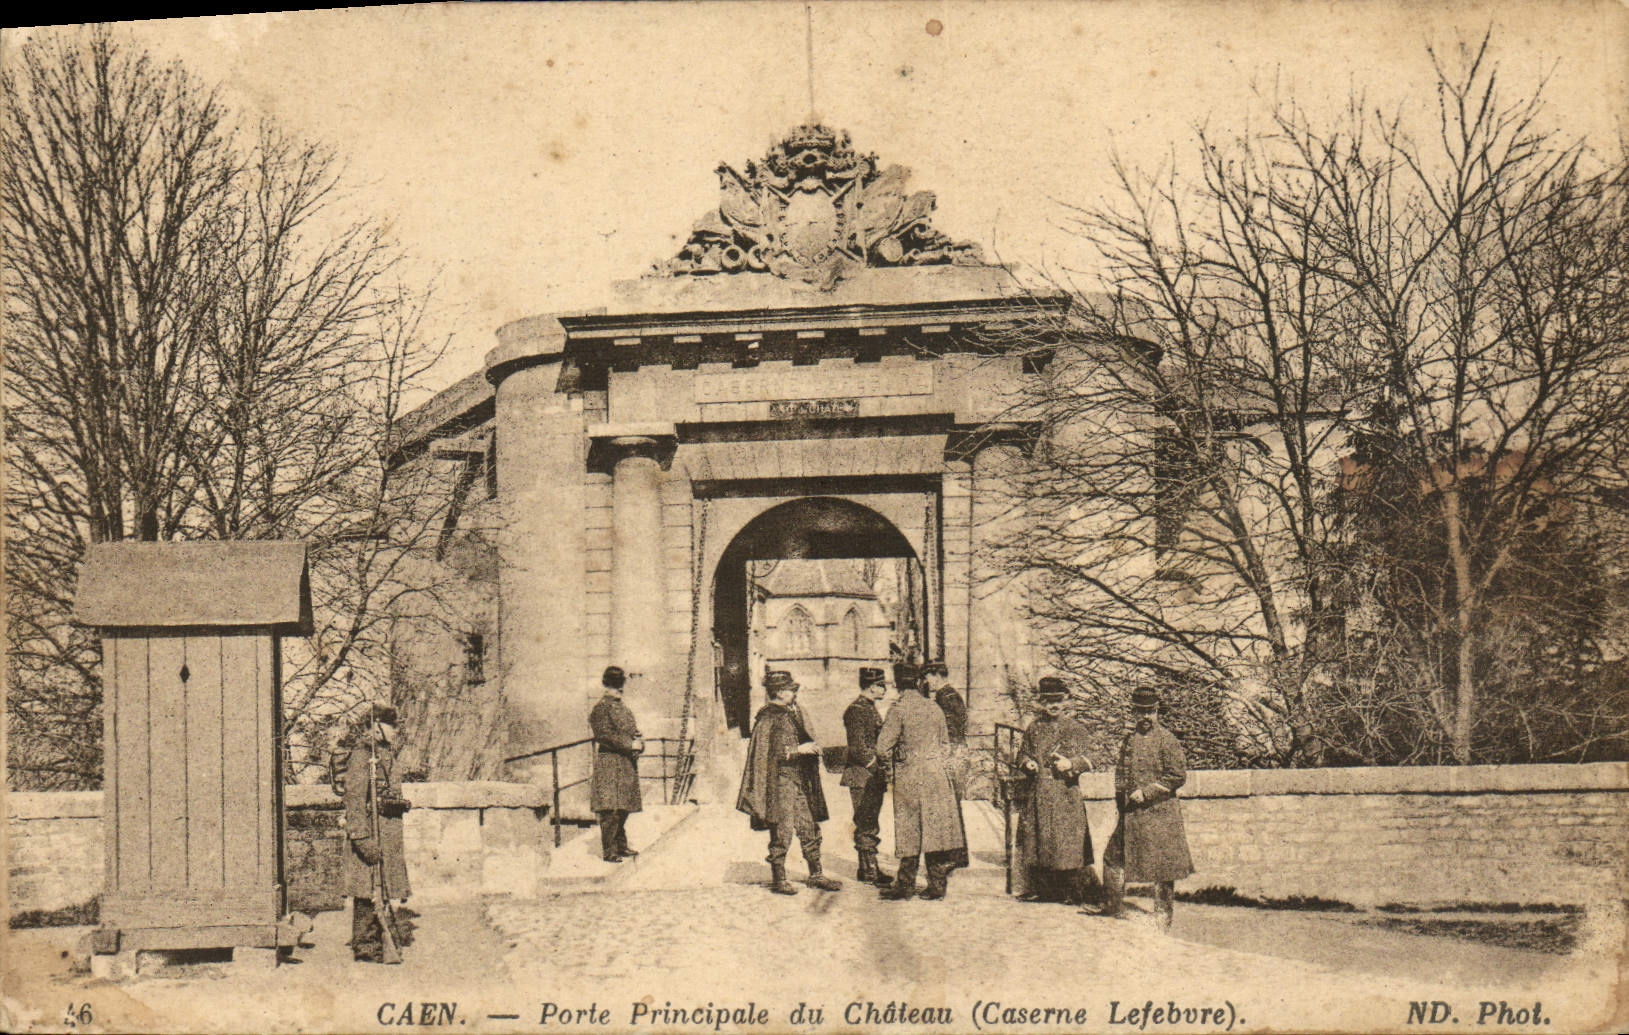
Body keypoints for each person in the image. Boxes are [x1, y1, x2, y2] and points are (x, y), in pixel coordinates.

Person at [736, 671, 843, 895]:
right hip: (780, 781)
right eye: (791, 689)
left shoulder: (794, 712)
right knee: (782, 830)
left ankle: (816, 874)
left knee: (809, 826)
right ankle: (779, 879)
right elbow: (764, 755)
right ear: (780, 692)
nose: (794, 693)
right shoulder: (767, 718)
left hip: (800, 780)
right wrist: (797, 750)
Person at [1103, 686, 1195, 929]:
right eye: (1140, 712)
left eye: (1150, 712)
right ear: (1133, 712)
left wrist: (1147, 792)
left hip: (1160, 812)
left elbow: (1177, 776)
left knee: (1164, 866)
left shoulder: (1167, 739)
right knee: (1112, 858)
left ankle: (1163, 913)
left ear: (1157, 712)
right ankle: (1113, 907)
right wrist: (1121, 803)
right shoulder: (1129, 740)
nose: (1145, 717)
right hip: (1132, 814)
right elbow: (1120, 775)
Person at [875, 663, 967, 901]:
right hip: (936, 775)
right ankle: (937, 885)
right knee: (934, 829)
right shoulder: (934, 707)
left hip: (910, 775)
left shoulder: (898, 709)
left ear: (897, 685)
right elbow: (945, 742)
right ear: (918, 682)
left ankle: (905, 885)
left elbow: (882, 748)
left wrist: (892, 768)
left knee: (909, 829)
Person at [1015, 677, 1096, 905]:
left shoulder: (1075, 729)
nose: (1054, 705)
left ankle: (1072, 892)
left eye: (1058, 700)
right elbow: (1022, 754)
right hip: (1039, 793)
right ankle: (1044, 891)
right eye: (1048, 700)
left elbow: (1092, 758)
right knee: (1039, 842)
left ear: (1066, 701)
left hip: (1065, 795)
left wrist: (1071, 764)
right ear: (1041, 702)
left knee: (1066, 844)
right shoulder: (1034, 728)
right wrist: (1027, 763)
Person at [341, 703, 412, 963]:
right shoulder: (362, 756)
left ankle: (378, 939)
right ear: (376, 727)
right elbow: (354, 800)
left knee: (379, 887)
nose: (395, 731)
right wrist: (361, 839)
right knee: (366, 890)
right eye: (391, 726)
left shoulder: (385, 754)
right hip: (371, 833)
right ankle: (365, 945)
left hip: (386, 832)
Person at [842, 667, 894, 886]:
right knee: (866, 821)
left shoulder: (868, 708)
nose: (885, 689)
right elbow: (858, 747)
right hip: (863, 775)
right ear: (872, 686)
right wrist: (875, 768)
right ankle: (870, 870)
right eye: (882, 685)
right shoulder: (857, 710)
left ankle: (866, 868)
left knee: (868, 820)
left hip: (869, 775)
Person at [589, 666, 644, 863]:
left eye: (619, 685)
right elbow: (604, 736)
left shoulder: (624, 709)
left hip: (625, 762)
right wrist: (630, 744)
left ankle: (621, 845)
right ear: (606, 685)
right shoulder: (601, 709)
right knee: (610, 808)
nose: (618, 690)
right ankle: (609, 850)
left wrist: (639, 744)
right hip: (609, 762)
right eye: (614, 685)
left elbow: (635, 732)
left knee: (624, 807)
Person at [924, 662, 967, 746]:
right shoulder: (951, 692)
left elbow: (948, 725)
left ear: (937, 676)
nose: (928, 682)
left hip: (950, 743)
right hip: (957, 741)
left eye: (929, 678)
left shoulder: (943, 696)